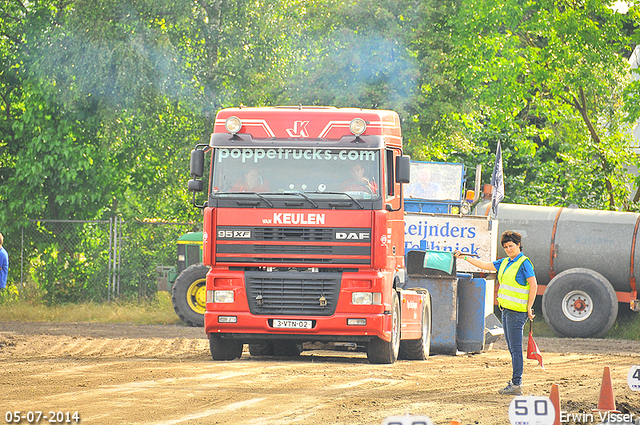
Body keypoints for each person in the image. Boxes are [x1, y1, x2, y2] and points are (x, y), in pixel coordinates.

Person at [454, 230, 537, 396]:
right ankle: (515, 382)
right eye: (506, 247)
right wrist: (464, 257)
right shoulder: (505, 262)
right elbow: (484, 265)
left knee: (515, 349)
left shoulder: (524, 263)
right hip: (506, 311)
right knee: (513, 349)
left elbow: (533, 285)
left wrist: (529, 307)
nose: (508, 249)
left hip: (517, 313)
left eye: (511, 246)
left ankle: (516, 383)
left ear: (519, 245)